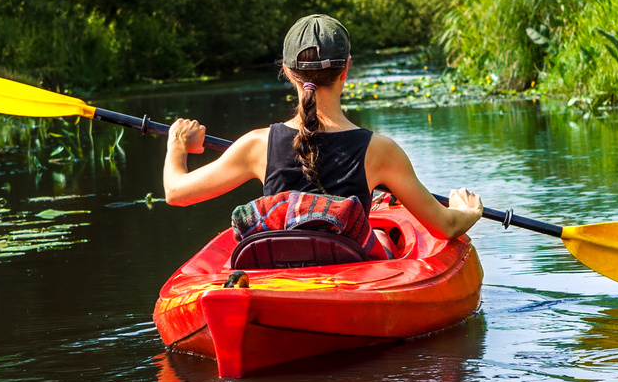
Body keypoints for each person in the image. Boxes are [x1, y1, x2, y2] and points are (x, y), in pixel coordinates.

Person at [163, 14, 484, 242]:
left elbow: (176, 193)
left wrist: (177, 145)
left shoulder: (257, 145)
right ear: (346, 69)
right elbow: (445, 227)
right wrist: (466, 211)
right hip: (350, 275)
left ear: (288, 72)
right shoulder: (380, 151)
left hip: (281, 274)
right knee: (382, 237)